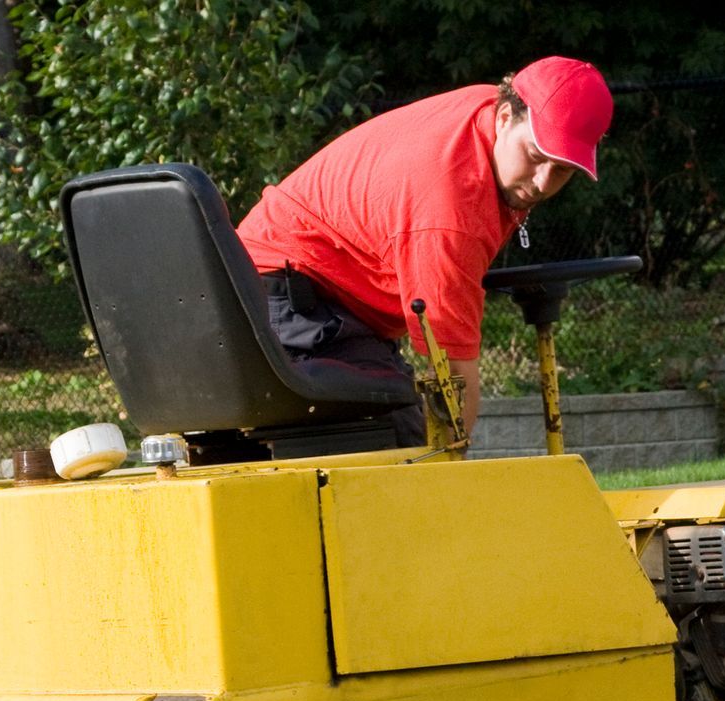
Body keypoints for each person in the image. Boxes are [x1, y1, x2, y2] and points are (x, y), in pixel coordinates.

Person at [237, 56, 613, 447]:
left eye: (563, 169)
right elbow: (450, 371)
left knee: (407, 434)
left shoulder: (486, 113)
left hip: (323, 293)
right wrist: (453, 466)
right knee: (403, 441)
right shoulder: (451, 208)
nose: (542, 183)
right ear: (504, 118)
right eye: (535, 156)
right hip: (287, 293)